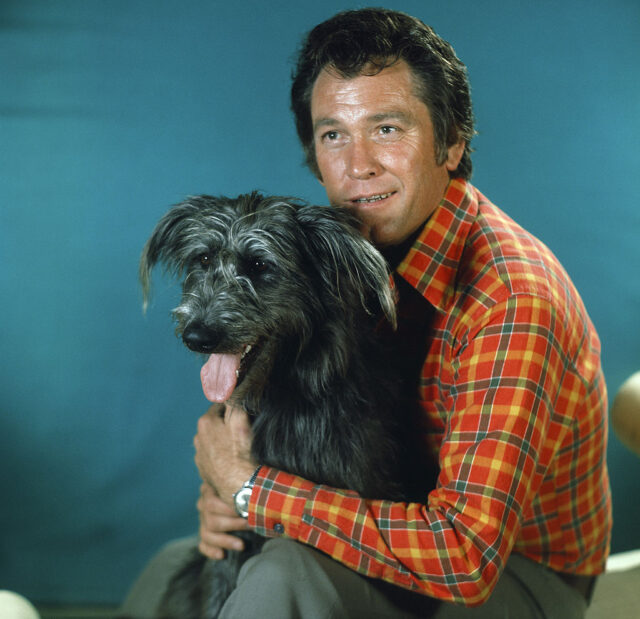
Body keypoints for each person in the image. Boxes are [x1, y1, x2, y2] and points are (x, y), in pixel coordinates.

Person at [122, 8, 611, 618]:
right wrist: (226, 496)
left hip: (514, 577)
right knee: (172, 570)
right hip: (396, 516)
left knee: (278, 575)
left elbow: (466, 558)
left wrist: (250, 490)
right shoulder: (351, 256)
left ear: (452, 141)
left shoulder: (512, 303)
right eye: (333, 135)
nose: (358, 166)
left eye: (387, 128)